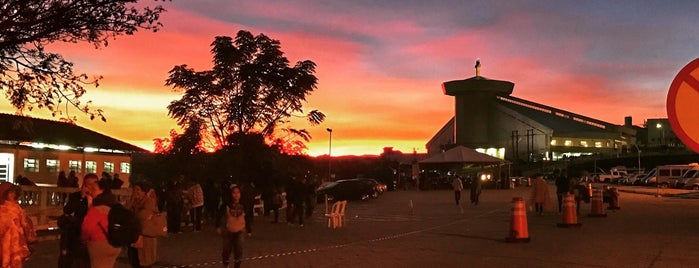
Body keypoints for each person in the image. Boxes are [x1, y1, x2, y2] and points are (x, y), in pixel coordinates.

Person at [81, 173, 121, 268]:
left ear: (102, 191)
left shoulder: (97, 207)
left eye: (94, 189)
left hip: (99, 243)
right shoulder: (114, 204)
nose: (91, 191)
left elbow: (87, 227)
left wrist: (83, 239)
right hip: (115, 244)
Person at [0, 182, 37, 268]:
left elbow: (26, 225)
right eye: (10, 192)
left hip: (16, 243)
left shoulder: (18, 209)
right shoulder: (3, 209)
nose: (13, 195)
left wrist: (29, 237)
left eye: (14, 192)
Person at [59, 180, 93, 268]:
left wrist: (90, 201)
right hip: (75, 233)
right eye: (88, 185)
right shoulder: (76, 196)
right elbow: (67, 210)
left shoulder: (98, 198)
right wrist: (82, 197)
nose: (90, 188)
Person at [126, 181, 160, 267]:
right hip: (133, 236)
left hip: (145, 237)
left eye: (138, 190)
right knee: (134, 261)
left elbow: (143, 216)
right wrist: (131, 202)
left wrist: (132, 216)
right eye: (134, 190)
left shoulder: (149, 201)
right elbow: (125, 213)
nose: (135, 192)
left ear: (144, 191)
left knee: (145, 261)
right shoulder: (132, 202)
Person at [219, 185, 246, 268]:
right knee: (226, 251)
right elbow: (219, 216)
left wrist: (249, 229)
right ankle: (226, 265)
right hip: (228, 231)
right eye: (234, 193)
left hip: (240, 231)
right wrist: (218, 227)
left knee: (239, 251)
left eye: (238, 192)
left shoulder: (244, 204)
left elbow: (247, 217)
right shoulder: (226, 205)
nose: (236, 195)